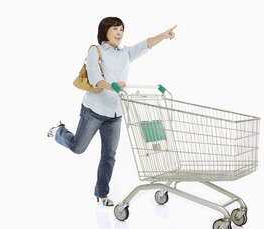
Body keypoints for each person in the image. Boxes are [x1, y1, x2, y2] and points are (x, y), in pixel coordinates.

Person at [48, 17, 177, 206]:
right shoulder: (96, 50)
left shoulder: (125, 53)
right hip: (94, 110)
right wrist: (113, 86)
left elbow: (145, 45)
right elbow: (94, 79)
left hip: (115, 114)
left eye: (122, 30)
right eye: (115, 29)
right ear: (105, 31)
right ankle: (59, 130)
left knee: (109, 156)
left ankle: (102, 195)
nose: (119, 33)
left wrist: (163, 36)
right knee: (78, 148)